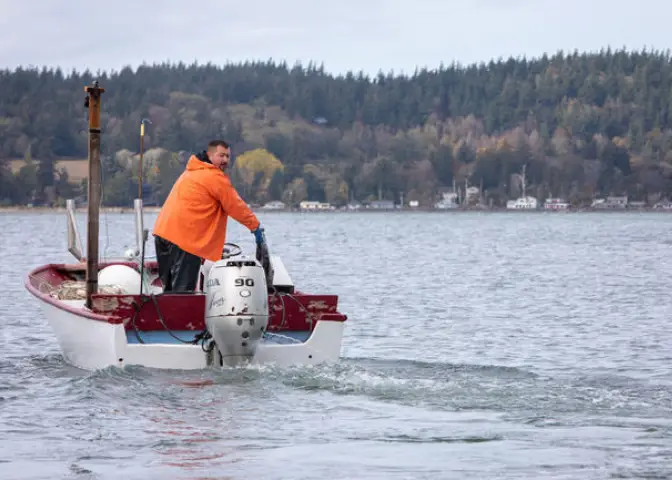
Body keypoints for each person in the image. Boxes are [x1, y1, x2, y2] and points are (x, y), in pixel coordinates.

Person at [152, 140, 265, 292]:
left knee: (170, 290)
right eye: (221, 156)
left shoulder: (191, 172)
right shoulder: (214, 177)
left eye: (228, 156)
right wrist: (255, 227)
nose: (225, 160)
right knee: (182, 293)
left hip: (163, 234)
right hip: (185, 240)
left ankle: (165, 315)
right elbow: (236, 206)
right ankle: (183, 315)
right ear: (210, 155)